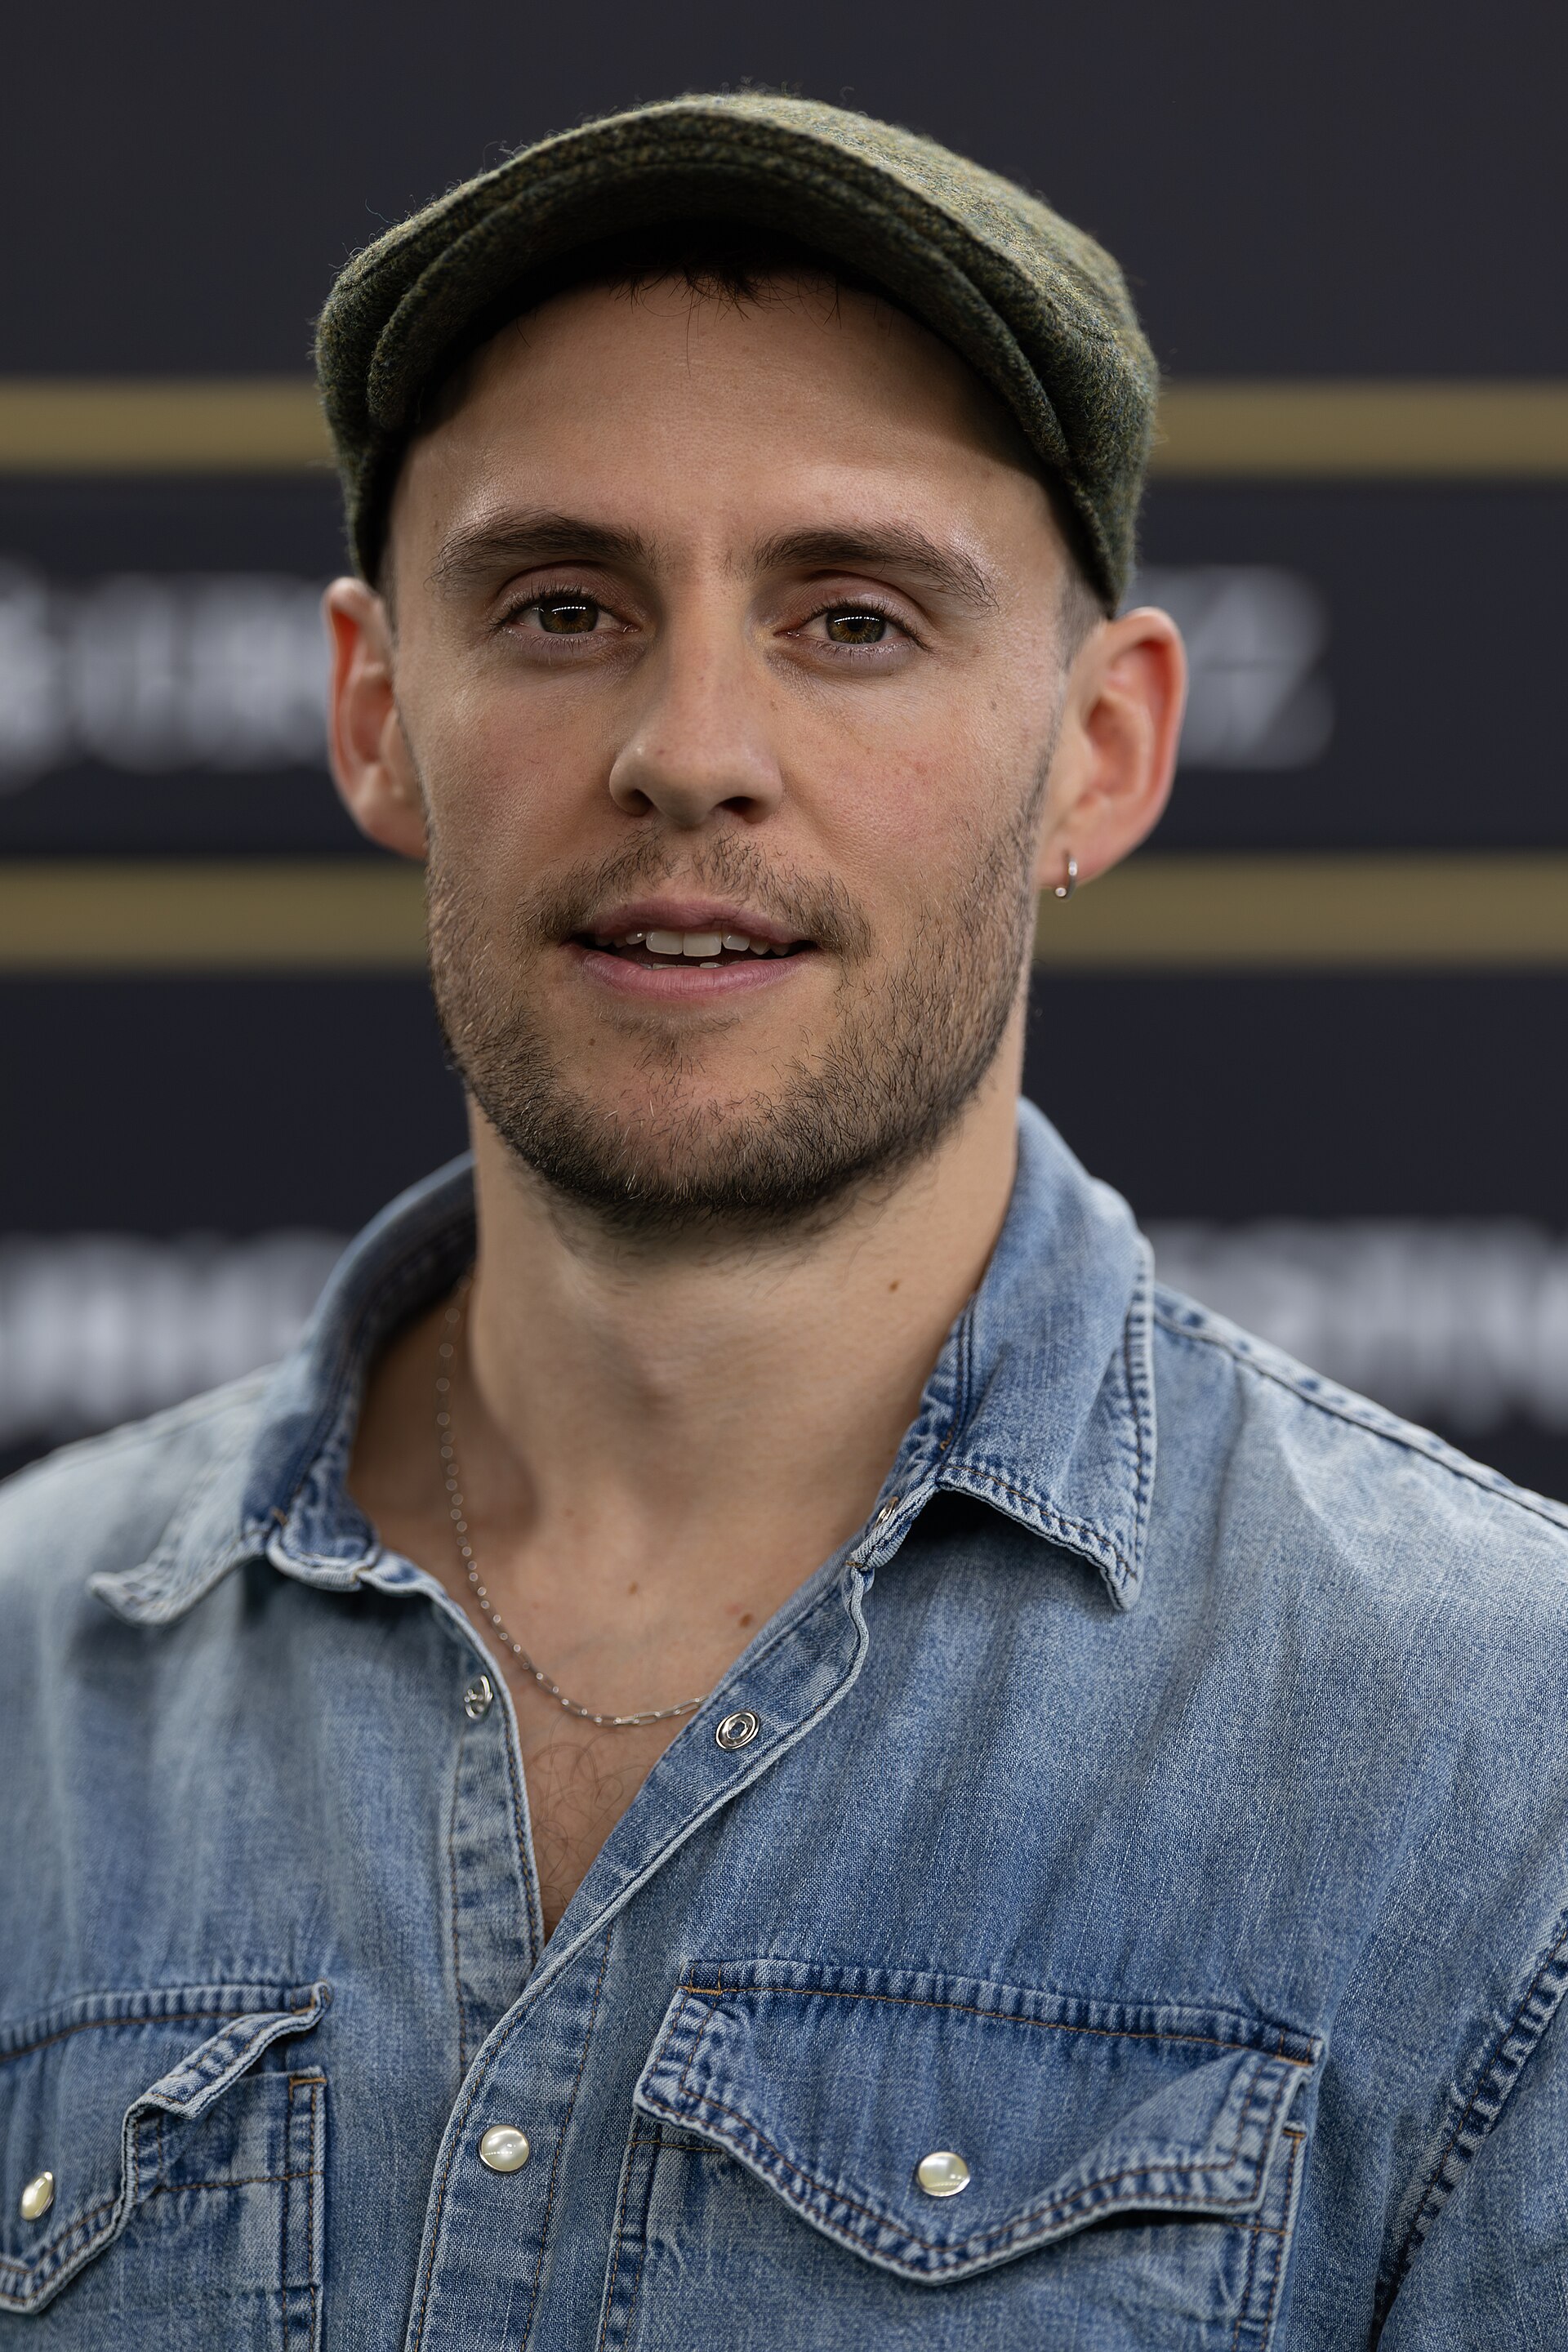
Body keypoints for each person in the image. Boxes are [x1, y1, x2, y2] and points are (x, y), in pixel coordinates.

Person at [3, 94, 1566, 2352]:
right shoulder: (36, 1680)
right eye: (559, 605)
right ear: (375, 711)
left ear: (1102, 752)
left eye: (854, 616)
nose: (690, 745)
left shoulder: (1500, 1759)